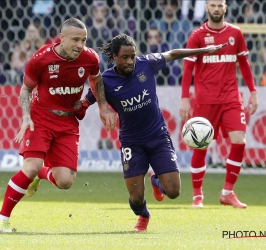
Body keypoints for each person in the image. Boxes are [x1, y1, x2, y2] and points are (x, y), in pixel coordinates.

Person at [80, 34, 226, 232]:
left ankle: (155, 178)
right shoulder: (105, 81)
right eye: (125, 57)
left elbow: (173, 54)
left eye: (132, 56)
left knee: (173, 192)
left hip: (158, 136)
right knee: (136, 197)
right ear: (114, 57)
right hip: (132, 142)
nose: (130, 61)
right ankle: (144, 216)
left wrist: (204, 51)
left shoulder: (147, 64)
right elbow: (85, 102)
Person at [0, 18, 116, 233]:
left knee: (65, 181)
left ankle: (40, 175)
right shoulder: (41, 59)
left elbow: (96, 81)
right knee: (30, 166)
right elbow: (25, 90)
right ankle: (1, 220)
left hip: (68, 122)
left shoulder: (90, 58)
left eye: (84, 40)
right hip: (41, 118)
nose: (80, 45)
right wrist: (25, 117)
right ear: (62, 38)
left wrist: (103, 106)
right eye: (75, 39)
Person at [179, 0, 259, 209]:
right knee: (201, 145)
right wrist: (185, 97)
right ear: (207, 8)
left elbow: (245, 64)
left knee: (240, 141)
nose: (216, 9)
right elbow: (188, 69)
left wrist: (253, 92)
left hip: (231, 97)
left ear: (225, 8)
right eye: (212, 5)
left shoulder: (236, 33)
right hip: (206, 99)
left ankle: (227, 193)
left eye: (219, 5)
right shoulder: (197, 36)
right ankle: (197, 196)